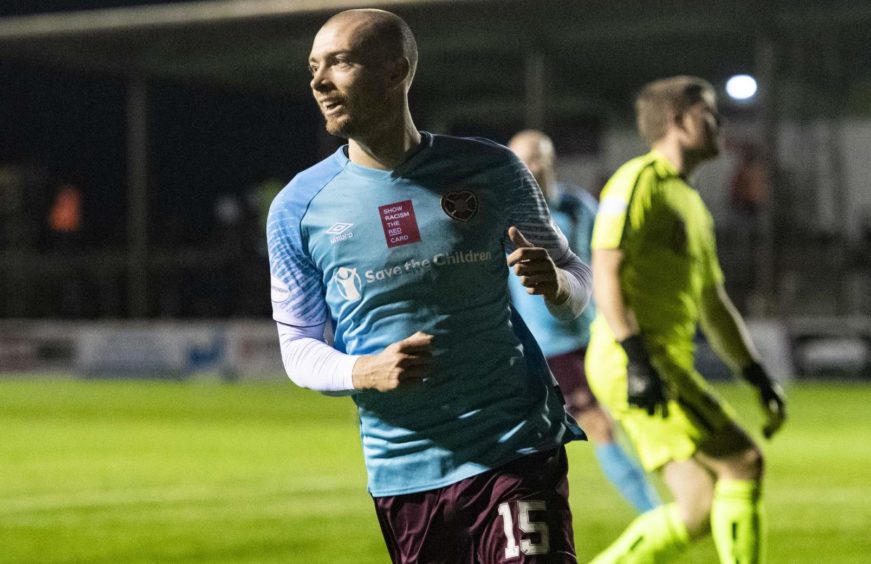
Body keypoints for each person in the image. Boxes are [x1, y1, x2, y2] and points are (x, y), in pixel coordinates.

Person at [267, 9, 593, 563]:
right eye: (313, 68)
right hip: (404, 471)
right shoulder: (296, 208)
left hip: (515, 446)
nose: (319, 82)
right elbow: (296, 348)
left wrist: (558, 285)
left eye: (340, 63)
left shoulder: (493, 170)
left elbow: (577, 278)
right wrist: (360, 370)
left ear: (396, 73)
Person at [585, 76, 787, 563]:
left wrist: (757, 375)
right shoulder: (639, 181)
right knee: (743, 461)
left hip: (653, 362)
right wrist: (637, 360)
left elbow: (714, 306)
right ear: (678, 121)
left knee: (697, 510)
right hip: (637, 360)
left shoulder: (691, 203)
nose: (719, 125)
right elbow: (604, 272)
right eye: (709, 115)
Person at [507, 130, 660, 514]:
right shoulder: (503, 216)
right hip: (549, 347)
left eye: (538, 157)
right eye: (523, 159)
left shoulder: (579, 207)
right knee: (599, 426)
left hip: (595, 334)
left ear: (552, 160)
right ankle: (655, 514)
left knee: (632, 417)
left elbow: (607, 265)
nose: (532, 166)